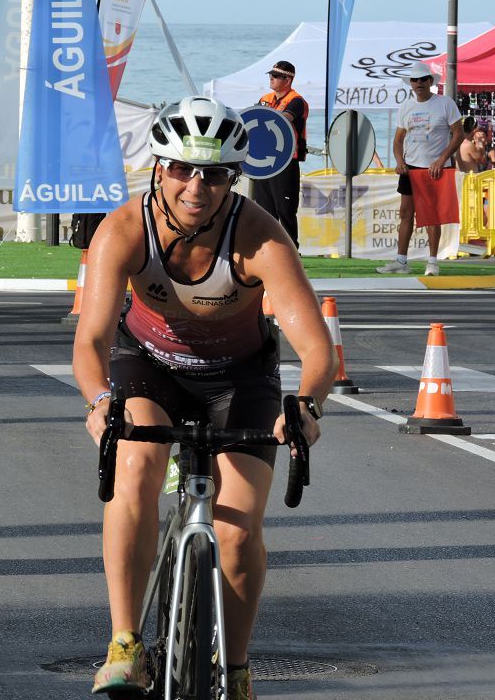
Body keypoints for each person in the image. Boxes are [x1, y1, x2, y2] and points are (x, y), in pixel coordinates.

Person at [73, 96, 337, 700]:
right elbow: (89, 339)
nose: (198, 185)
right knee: (135, 463)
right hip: (149, 368)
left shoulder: (258, 238)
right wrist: (97, 401)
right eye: (183, 169)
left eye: (215, 173)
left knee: (240, 530)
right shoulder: (122, 229)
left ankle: (236, 669)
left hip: (240, 378)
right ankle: (124, 645)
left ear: (233, 178)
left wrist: (308, 405)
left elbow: (318, 353)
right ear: (158, 169)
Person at [376, 60, 464, 277]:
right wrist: (399, 161)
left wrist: (442, 159)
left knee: (432, 216)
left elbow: (459, 134)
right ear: (410, 84)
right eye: (415, 80)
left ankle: (432, 261)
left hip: (434, 168)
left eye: (423, 79)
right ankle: (401, 260)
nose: (418, 83)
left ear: (430, 81)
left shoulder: (445, 103)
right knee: (406, 213)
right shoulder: (406, 107)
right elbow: (398, 139)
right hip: (410, 168)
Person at [249, 60, 308, 247]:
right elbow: (253, 120)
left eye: (275, 76)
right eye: (271, 75)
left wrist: (262, 116)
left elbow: (282, 120)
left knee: (286, 210)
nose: (271, 79)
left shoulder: (296, 101)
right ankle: (267, 249)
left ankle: (292, 250)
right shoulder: (265, 98)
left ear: (288, 80)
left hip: (286, 161)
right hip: (264, 163)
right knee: (264, 210)